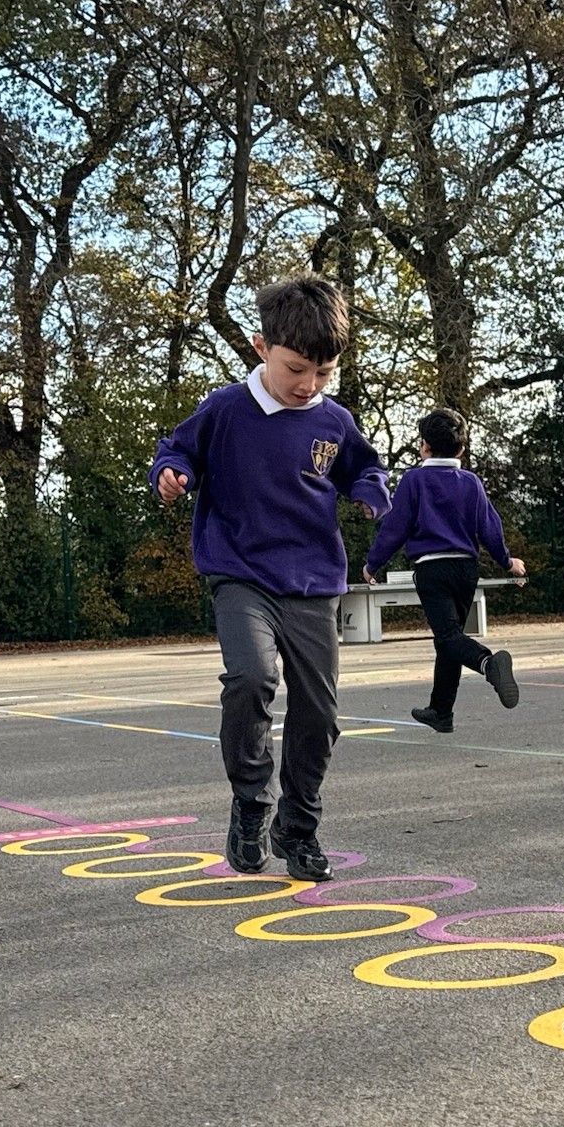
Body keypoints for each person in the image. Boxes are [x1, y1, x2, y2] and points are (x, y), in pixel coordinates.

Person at [149, 275, 390, 882]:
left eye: (324, 372)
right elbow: (176, 449)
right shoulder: (226, 408)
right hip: (240, 573)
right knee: (252, 678)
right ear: (262, 349)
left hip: (312, 580)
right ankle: (251, 802)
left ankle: (298, 827)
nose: (308, 385)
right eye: (297, 369)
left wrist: (368, 490)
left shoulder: (333, 420)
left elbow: (363, 467)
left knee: (320, 712)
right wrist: (171, 474)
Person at [363, 408, 525, 733]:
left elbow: (395, 527)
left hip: (432, 569)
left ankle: (488, 663)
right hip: (466, 570)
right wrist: (508, 561)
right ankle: (441, 711)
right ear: (462, 449)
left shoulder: (414, 480)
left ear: (423, 446)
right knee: (448, 639)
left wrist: (373, 563)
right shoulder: (471, 482)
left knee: (448, 636)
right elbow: (489, 527)